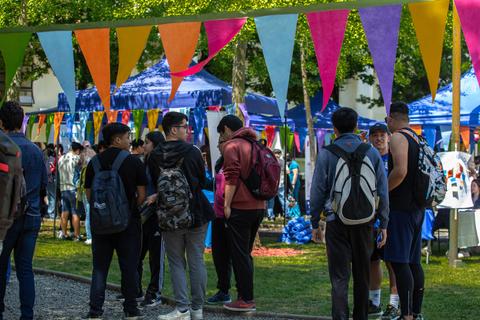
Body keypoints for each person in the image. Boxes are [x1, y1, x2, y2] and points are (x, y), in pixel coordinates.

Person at [310, 107, 389, 320]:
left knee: (339, 277)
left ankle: (340, 317)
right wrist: (383, 222)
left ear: (334, 129)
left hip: (336, 222)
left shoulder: (327, 153)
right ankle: (361, 316)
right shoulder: (371, 152)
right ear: (356, 126)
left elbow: (317, 189)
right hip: (365, 221)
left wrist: (314, 221)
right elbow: (382, 189)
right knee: (362, 275)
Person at [149, 112, 214, 320]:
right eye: (185, 126)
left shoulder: (155, 155)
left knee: (176, 262)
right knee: (197, 260)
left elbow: (155, 183)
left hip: (169, 216)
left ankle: (182, 308)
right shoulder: (192, 152)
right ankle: (197, 309)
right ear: (174, 129)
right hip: (196, 212)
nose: (188, 130)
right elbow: (202, 181)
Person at [84, 123, 147, 319]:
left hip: (100, 224)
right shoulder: (134, 162)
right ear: (118, 139)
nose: (130, 141)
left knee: (100, 267)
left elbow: (89, 195)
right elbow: (142, 196)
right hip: (128, 223)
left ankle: (95, 310)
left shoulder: (93, 164)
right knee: (129, 266)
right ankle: (131, 309)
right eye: (128, 137)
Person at [0, 101, 48, 320]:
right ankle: (26, 315)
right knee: (25, 269)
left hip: (5, 218)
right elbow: (44, 187)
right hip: (31, 216)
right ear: (22, 123)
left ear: (1, 123)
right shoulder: (37, 151)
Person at [217, 115, 266, 312]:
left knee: (239, 255)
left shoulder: (232, 146)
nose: (222, 137)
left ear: (227, 129)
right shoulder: (256, 144)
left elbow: (231, 177)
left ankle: (246, 299)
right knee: (245, 254)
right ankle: (245, 295)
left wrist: (227, 204)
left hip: (241, 206)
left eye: (222, 133)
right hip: (259, 205)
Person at [384, 102, 425, 320]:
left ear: (391, 118)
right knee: (413, 262)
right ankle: (416, 312)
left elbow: (400, 171)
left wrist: (382, 192)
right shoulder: (418, 137)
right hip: (418, 207)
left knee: (400, 263)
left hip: (401, 208)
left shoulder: (399, 137)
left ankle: (407, 314)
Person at [367, 123, 400, 319]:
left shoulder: (396, 159)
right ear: (370, 138)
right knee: (373, 260)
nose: (378, 138)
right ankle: (374, 302)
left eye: (382, 135)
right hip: (370, 217)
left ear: (388, 137)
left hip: (391, 216)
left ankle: (394, 304)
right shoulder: (368, 158)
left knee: (392, 261)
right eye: (375, 135)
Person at [137, 131, 166, 307]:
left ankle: (154, 292)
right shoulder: (146, 160)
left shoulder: (156, 159)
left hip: (155, 214)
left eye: (147, 142)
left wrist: (155, 196)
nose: (144, 145)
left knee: (155, 257)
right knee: (140, 254)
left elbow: (163, 184)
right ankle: (138, 290)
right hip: (145, 213)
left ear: (154, 144)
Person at [206, 135, 233, 305]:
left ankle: (243, 293)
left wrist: (228, 206)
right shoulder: (219, 163)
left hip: (231, 214)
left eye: (220, 143)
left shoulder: (234, 161)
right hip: (217, 214)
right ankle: (223, 290)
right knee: (219, 255)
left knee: (234, 255)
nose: (217, 146)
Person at [57, 142, 83, 241]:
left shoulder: (61, 159)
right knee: (75, 212)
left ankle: (63, 233)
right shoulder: (77, 159)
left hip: (63, 188)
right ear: (78, 150)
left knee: (64, 212)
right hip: (73, 189)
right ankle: (76, 235)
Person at [77, 141, 97, 245]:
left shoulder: (82, 155)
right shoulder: (94, 154)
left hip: (85, 188)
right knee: (92, 212)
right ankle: (91, 235)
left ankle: (90, 236)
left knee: (88, 213)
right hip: (93, 187)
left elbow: (78, 168)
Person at [267, 149, 287, 220]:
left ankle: (270, 216)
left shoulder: (270, 161)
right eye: (277, 153)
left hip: (273, 183)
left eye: (278, 153)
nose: (277, 155)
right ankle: (286, 214)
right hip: (280, 182)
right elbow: (287, 171)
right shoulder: (283, 161)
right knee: (282, 198)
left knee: (271, 200)